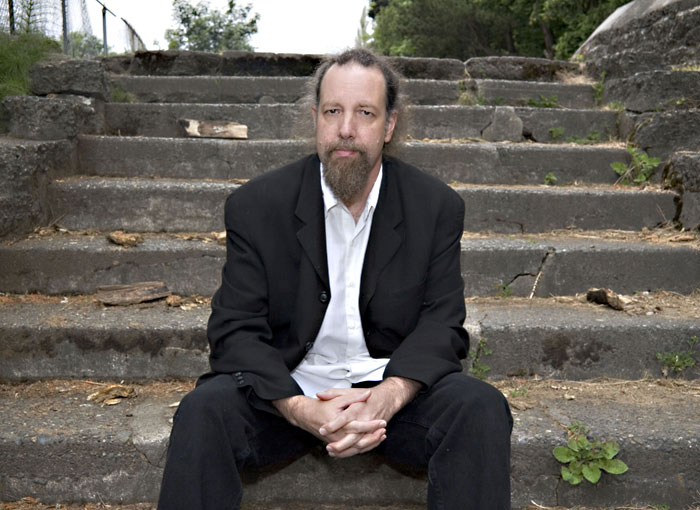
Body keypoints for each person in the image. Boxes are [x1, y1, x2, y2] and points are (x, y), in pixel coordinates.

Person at [158, 48, 512, 510]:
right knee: (202, 410)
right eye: (332, 112)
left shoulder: (436, 206)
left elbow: (442, 324)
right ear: (315, 120)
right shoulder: (256, 205)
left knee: (480, 406)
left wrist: (388, 396)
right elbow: (234, 330)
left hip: (389, 398)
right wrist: (299, 407)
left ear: (389, 125)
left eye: (365, 113)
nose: (346, 128)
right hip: (287, 391)